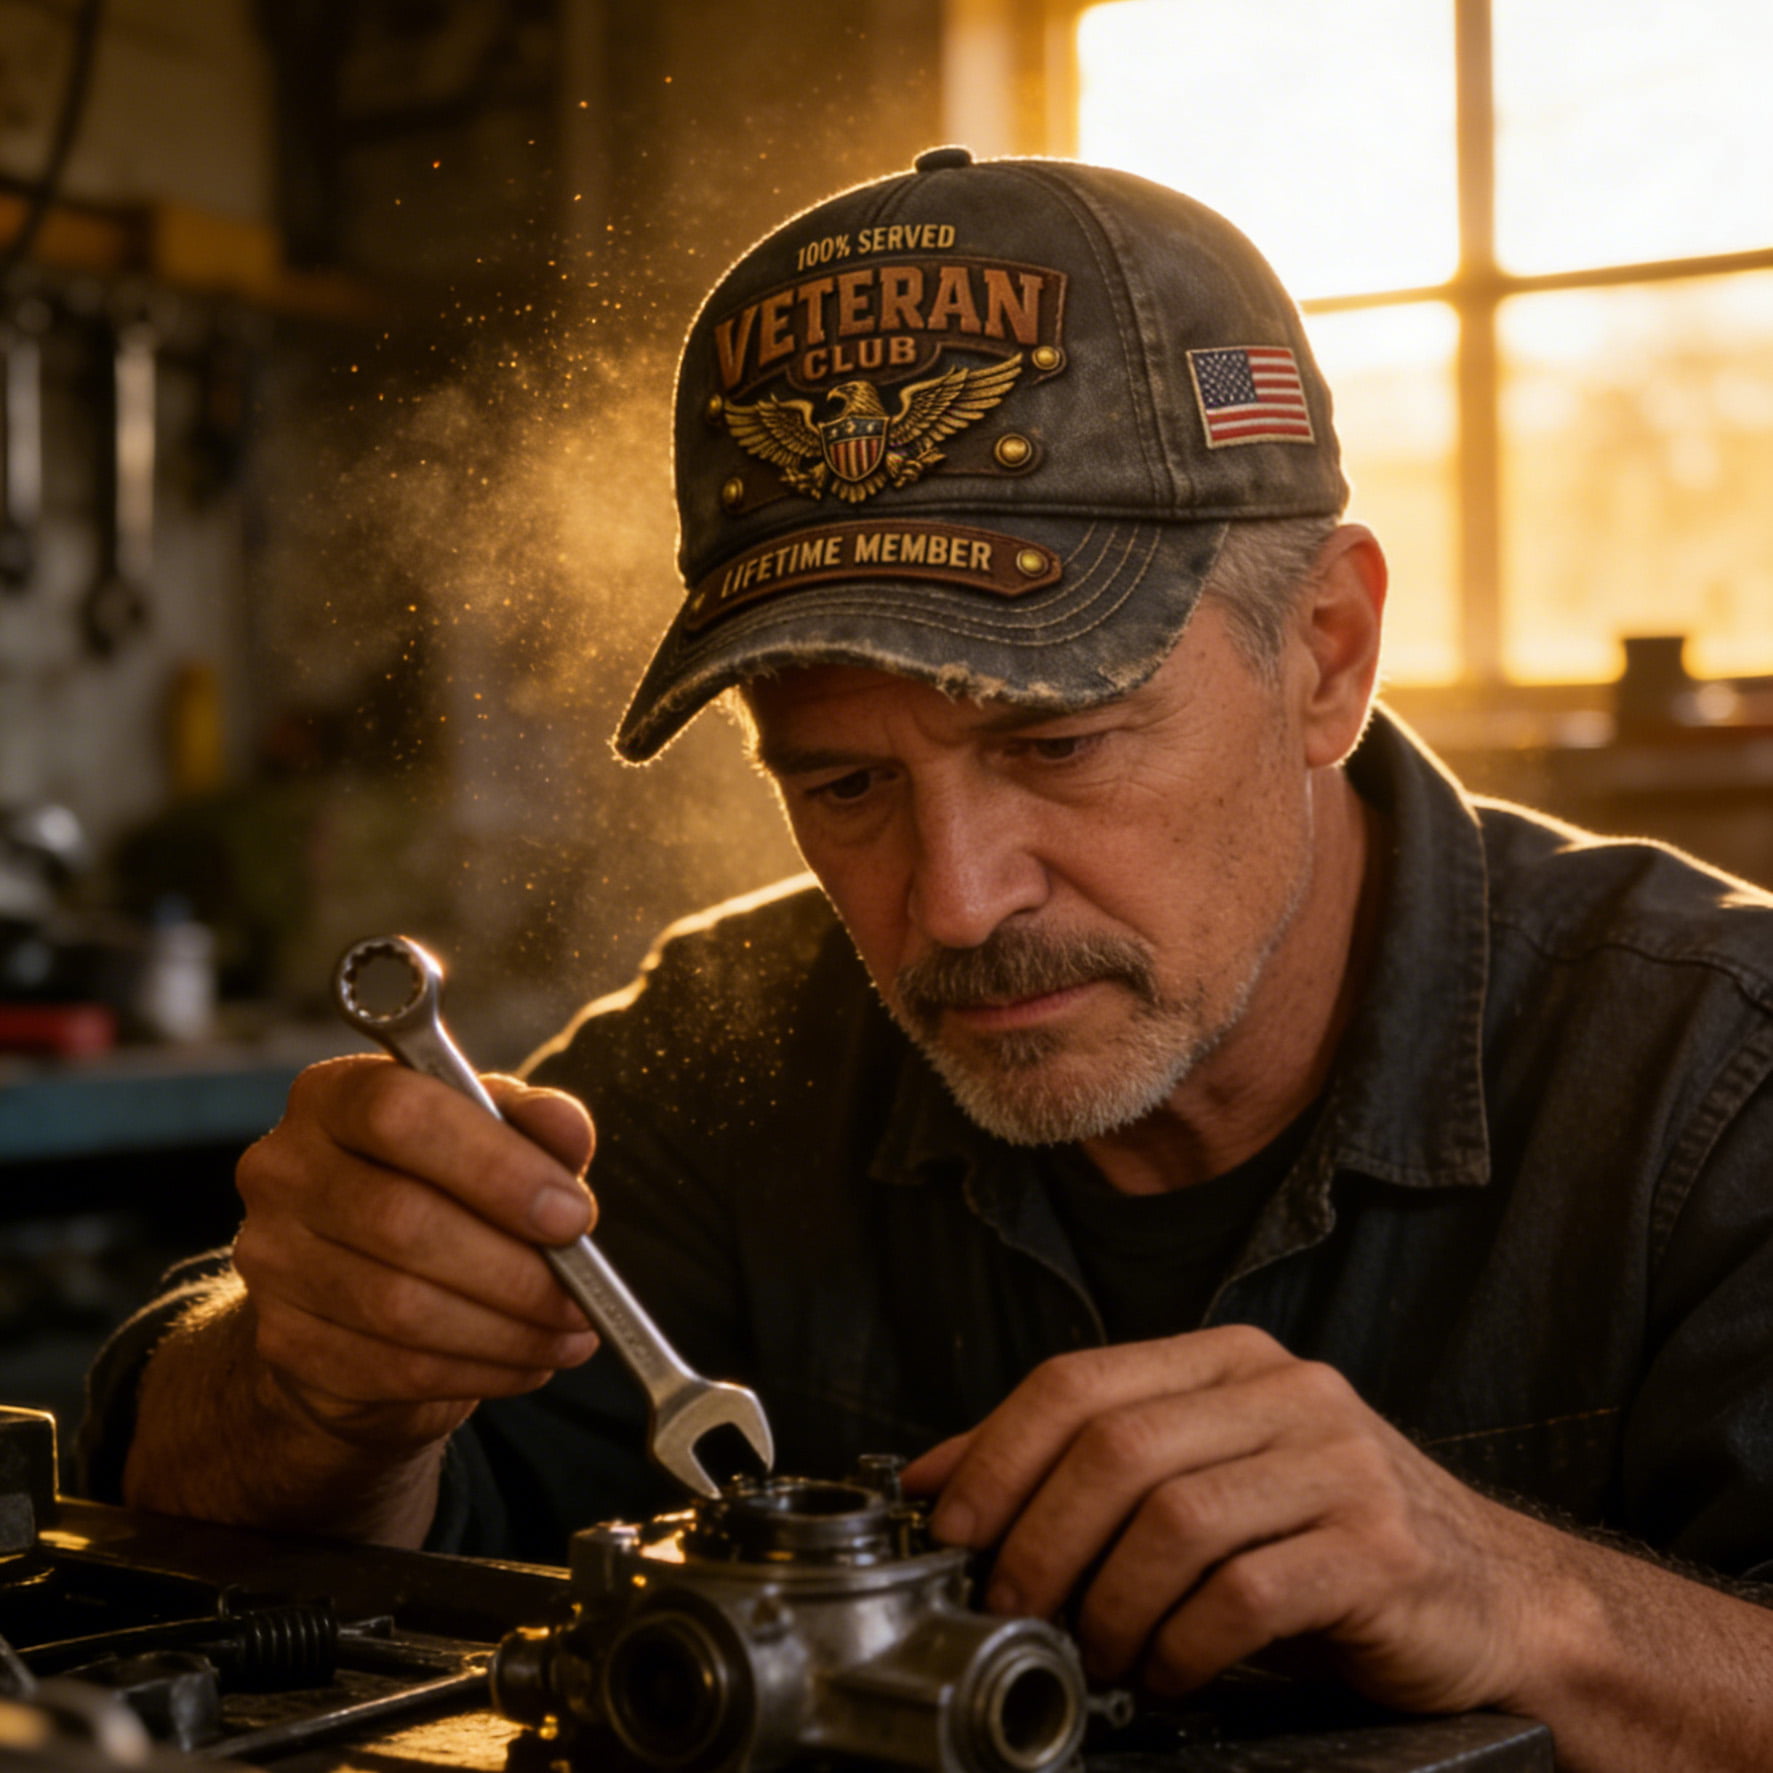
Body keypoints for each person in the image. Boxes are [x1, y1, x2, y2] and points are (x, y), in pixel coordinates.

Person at [81, 151, 1773, 1768]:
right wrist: (309, 1381)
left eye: (1058, 743)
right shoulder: (716, 1061)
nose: (953, 903)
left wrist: (1514, 1598)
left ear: (1323, 653)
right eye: (844, 781)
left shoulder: (1717, 1088)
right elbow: (241, 1551)